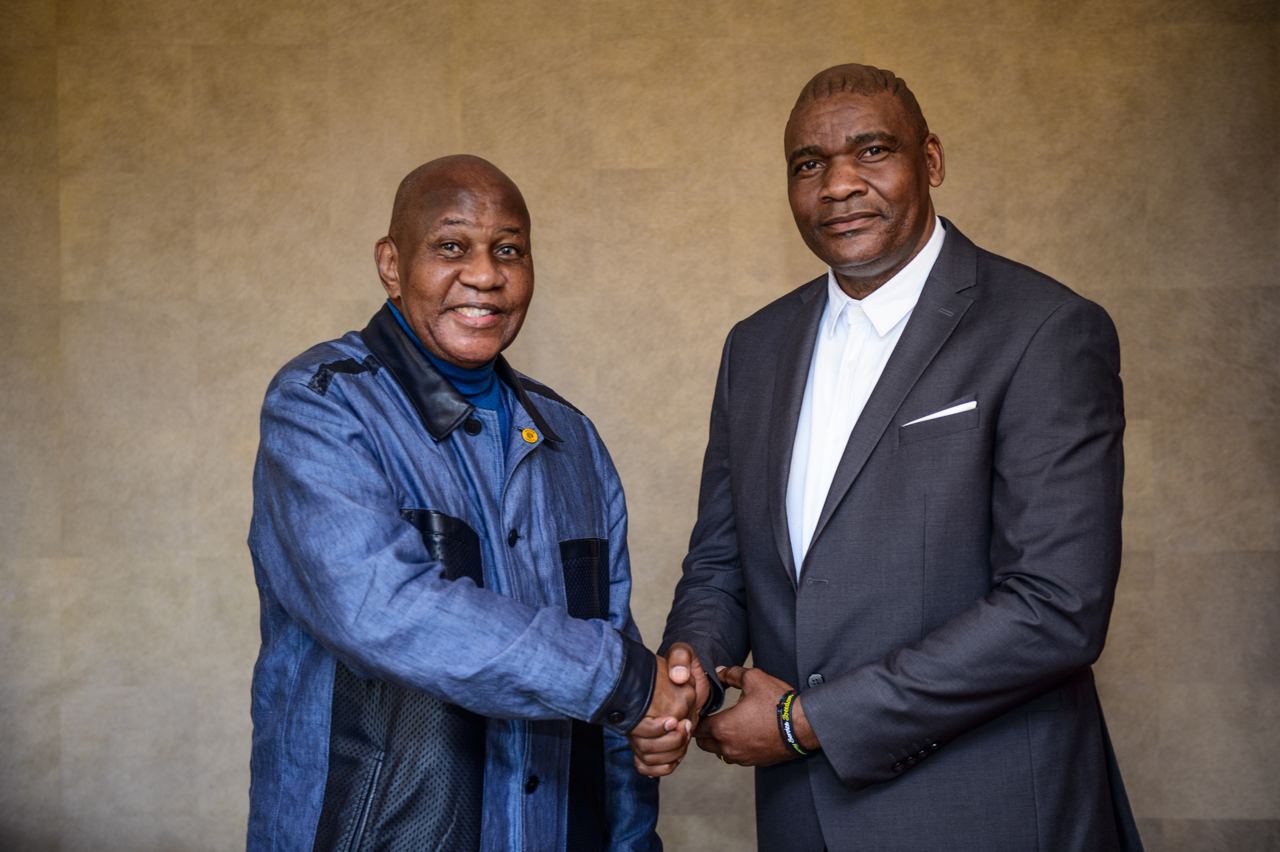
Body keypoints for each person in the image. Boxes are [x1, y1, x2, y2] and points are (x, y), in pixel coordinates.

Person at [630, 64, 1144, 851]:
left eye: (872, 151)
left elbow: (1055, 608)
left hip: (990, 815)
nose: (838, 185)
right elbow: (722, 562)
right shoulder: (755, 348)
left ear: (929, 161)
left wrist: (807, 723)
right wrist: (686, 672)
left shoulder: (1044, 330)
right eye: (809, 164)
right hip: (804, 820)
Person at [247, 155, 691, 851]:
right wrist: (627, 681)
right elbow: (380, 608)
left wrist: (634, 832)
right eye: (451, 246)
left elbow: (615, 671)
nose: (485, 275)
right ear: (391, 265)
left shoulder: (571, 439)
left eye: (508, 250)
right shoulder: (322, 405)